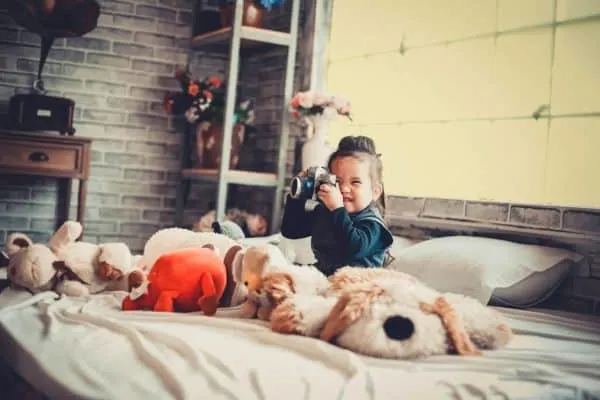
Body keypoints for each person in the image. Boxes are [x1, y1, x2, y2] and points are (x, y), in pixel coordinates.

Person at [280, 135, 394, 276]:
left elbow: (353, 248)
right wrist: (297, 196)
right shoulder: (326, 212)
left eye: (355, 182)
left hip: (358, 283)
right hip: (326, 276)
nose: (344, 189)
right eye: (338, 182)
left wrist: (337, 209)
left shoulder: (373, 225)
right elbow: (291, 230)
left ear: (375, 192)